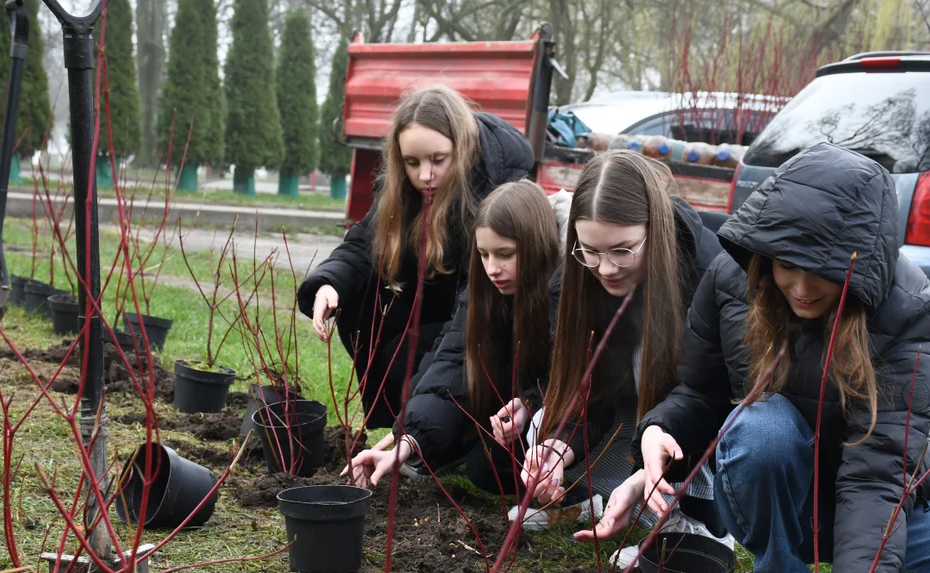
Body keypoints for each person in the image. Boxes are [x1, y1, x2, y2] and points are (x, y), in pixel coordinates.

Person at [582, 143, 930, 573]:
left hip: (880, 501)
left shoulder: (907, 308)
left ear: (860, 261)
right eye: (784, 265)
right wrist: (658, 434)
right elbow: (698, 394)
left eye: (819, 270)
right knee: (763, 425)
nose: (798, 286)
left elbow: (877, 474)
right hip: (774, 487)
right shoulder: (733, 275)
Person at [297, 85, 535, 429]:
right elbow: (364, 241)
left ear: (463, 149)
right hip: (437, 307)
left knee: (405, 357)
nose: (425, 175)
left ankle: (433, 430)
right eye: (412, 163)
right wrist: (329, 283)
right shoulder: (403, 188)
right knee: (362, 309)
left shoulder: (495, 191)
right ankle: (406, 427)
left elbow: (472, 308)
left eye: (438, 160)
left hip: (490, 321)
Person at [516, 149, 728, 535]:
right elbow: (583, 387)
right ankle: (589, 495)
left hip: (686, 426)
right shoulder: (571, 285)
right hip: (624, 418)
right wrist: (560, 445)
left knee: (646, 358)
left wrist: (655, 463)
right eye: (590, 251)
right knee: (543, 423)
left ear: (656, 230)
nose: (606, 269)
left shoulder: (709, 271)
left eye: (622, 250)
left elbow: (710, 396)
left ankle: (686, 520)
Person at [346, 180, 560, 495]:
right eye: (484, 254)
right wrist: (408, 438)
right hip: (506, 409)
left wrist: (530, 404)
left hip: (554, 413)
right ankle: (453, 440)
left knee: (488, 470)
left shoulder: (562, 295)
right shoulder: (482, 291)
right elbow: (454, 360)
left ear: (537, 245)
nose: (492, 268)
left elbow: (572, 378)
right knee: (482, 464)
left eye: (505, 254)